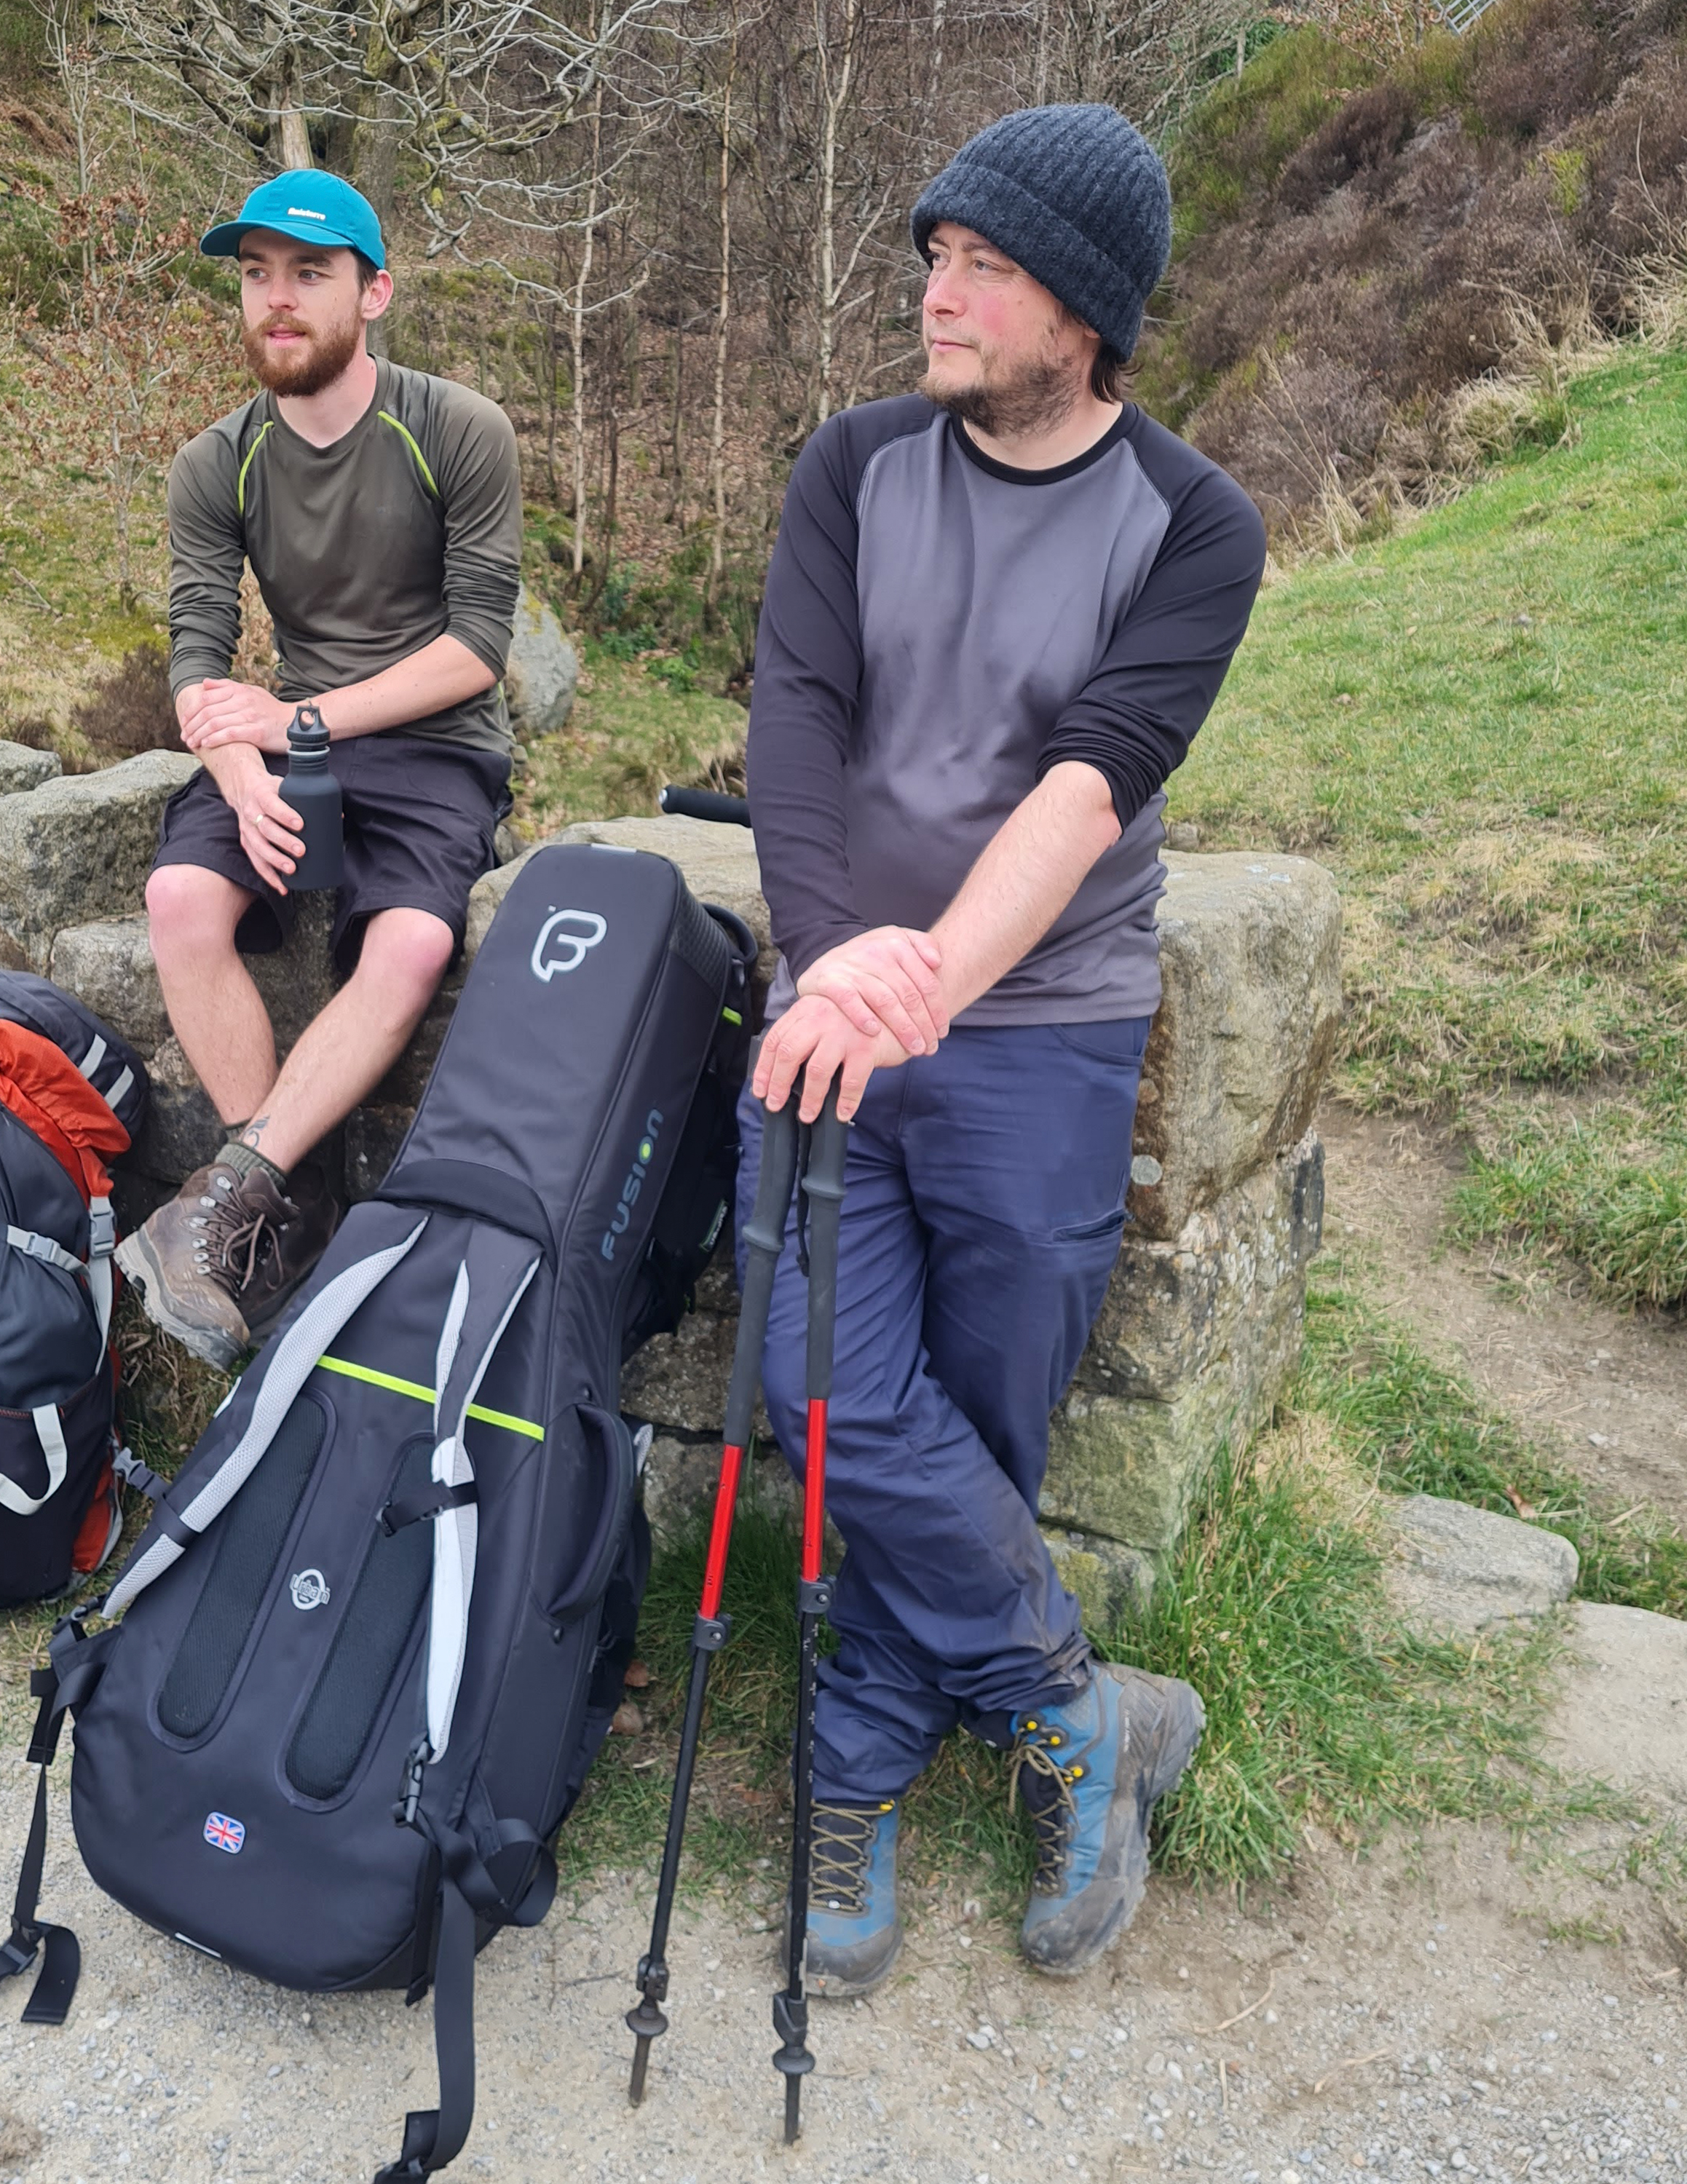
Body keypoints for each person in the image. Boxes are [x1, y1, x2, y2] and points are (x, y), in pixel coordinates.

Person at [743, 104, 1268, 1987]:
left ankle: (865, 1750)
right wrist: (830, 964)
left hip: (1043, 1031)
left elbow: (1090, 781)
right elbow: (793, 725)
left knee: (977, 1409)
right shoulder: (854, 467)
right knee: (817, 1379)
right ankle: (1073, 1701)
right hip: (830, 1006)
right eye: (931, 256)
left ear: (1090, 309)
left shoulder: (1198, 527)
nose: (934, 293)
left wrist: (932, 978)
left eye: (982, 265)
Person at [116, 170, 524, 1366]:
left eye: (308, 273)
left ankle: (233, 1200)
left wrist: (296, 716)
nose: (276, 302)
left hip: (434, 747)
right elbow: (194, 654)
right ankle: (271, 1206)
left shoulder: (457, 427)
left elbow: (476, 651)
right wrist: (239, 763)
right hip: (282, 749)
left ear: (374, 290)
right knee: (180, 899)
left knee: (411, 942)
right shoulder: (216, 464)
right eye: (254, 276)